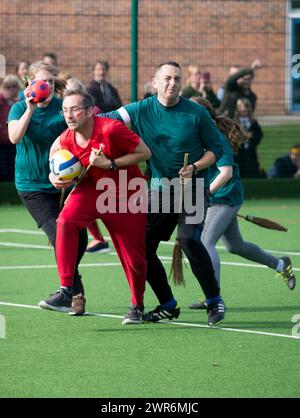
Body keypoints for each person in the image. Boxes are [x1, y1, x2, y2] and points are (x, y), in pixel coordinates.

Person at [102, 61, 226, 327]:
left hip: (193, 187)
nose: (172, 83)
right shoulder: (140, 109)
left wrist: (194, 167)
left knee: (189, 239)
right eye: (167, 78)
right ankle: (168, 305)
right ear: (155, 82)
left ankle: (214, 299)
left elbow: (215, 151)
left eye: (177, 79)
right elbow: (106, 120)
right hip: (159, 188)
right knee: (143, 246)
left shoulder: (196, 113)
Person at [39, 89, 151, 323]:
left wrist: (110, 163)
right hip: (91, 189)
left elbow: (144, 152)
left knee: (134, 259)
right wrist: (54, 177)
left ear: (90, 111)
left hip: (125, 193)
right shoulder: (66, 136)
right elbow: (53, 155)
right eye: (65, 110)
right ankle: (66, 290)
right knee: (65, 221)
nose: (69, 115)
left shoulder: (111, 129)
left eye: (75, 109)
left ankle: (137, 305)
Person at [188, 97, 296, 310]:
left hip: (226, 196)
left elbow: (225, 173)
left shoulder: (217, 138)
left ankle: (213, 297)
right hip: (215, 196)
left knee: (204, 242)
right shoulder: (195, 135)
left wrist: (205, 193)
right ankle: (281, 264)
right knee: (235, 246)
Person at [8, 61, 87, 304]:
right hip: (32, 187)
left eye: (52, 82)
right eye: (43, 82)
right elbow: (14, 137)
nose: (48, 86)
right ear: (29, 83)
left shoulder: (63, 108)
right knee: (60, 236)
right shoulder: (18, 108)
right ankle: (71, 293)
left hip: (64, 184)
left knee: (80, 238)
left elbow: (79, 136)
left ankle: (74, 292)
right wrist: (30, 109)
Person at [65, 77, 110, 253]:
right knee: (79, 200)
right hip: (77, 163)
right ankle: (98, 239)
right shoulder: (65, 113)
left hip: (99, 163)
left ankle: (104, 238)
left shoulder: (93, 112)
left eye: (73, 90)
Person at [234, 98, 265, 178]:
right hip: (238, 153)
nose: (244, 109)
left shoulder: (253, 122)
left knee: (251, 172)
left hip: (250, 152)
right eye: (241, 106)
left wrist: (251, 136)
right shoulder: (234, 121)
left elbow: (258, 134)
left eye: (246, 106)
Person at [0, 75, 20, 181]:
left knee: (12, 165)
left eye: (14, 86)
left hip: (14, 140)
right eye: (8, 87)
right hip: (1, 140)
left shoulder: (19, 103)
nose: (11, 89)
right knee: (3, 167)